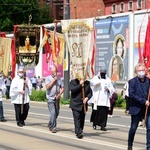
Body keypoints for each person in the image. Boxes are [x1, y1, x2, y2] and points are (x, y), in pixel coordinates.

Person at [127, 63, 150, 150]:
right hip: (136, 107)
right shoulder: (132, 81)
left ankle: (148, 147)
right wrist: (144, 101)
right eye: (139, 70)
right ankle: (130, 144)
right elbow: (131, 94)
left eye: (142, 70)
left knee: (149, 127)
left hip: (147, 108)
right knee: (133, 127)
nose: (141, 72)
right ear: (136, 72)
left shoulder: (148, 81)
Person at [45, 65, 64, 133]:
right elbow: (47, 87)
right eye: (54, 71)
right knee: (53, 113)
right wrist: (53, 80)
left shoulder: (59, 79)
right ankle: (53, 127)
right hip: (50, 98)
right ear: (52, 72)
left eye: (56, 71)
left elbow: (62, 88)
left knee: (57, 112)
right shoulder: (48, 78)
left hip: (57, 98)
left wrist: (59, 94)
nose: (55, 72)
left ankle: (50, 123)